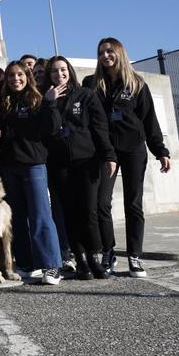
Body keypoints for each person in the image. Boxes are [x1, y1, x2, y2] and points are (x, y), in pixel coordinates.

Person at [83, 38, 171, 277]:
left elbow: (149, 120)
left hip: (133, 149)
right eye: (101, 52)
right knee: (102, 203)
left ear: (119, 53)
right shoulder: (91, 84)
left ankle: (134, 255)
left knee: (133, 203)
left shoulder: (136, 84)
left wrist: (160, 151)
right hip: (104, 151)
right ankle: (108, 252)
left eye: (110, 51)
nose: (105, 55)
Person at [43, 56, 116, 280]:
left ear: (70, 71)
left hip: (88, 161)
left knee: (89, 210)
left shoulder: (86, 95)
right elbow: (49, 129)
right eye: (54, 71)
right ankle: (81, 259)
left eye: (63, 70)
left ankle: (95, 256)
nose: (59, 74)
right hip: (60, 164)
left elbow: (100, 127)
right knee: (70, 213)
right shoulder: (46, 98)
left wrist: (109, 155)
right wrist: (50, 102)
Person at [0, 60, 63, 285]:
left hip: (33, 165)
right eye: (11, 75)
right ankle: (25, 262)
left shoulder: (38, 99)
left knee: (41, 215)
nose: (16, 79)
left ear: (27, 76)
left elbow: (51, 128)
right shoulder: (2, 102)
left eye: (20, 75)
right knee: (18, 218)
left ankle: (51, 266)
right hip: (9, 166)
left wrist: (50, 104)